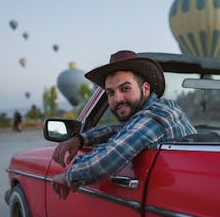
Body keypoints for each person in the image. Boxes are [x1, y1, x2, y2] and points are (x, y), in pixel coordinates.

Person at [51, 50, 197, 199]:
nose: (117, 99)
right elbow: (119, 129)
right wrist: (81, 139)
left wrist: (67, 176)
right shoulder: (162, 109)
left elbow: (106, 160)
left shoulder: (155, 117)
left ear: (145, 89)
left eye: (125, 88)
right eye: (110, 93)